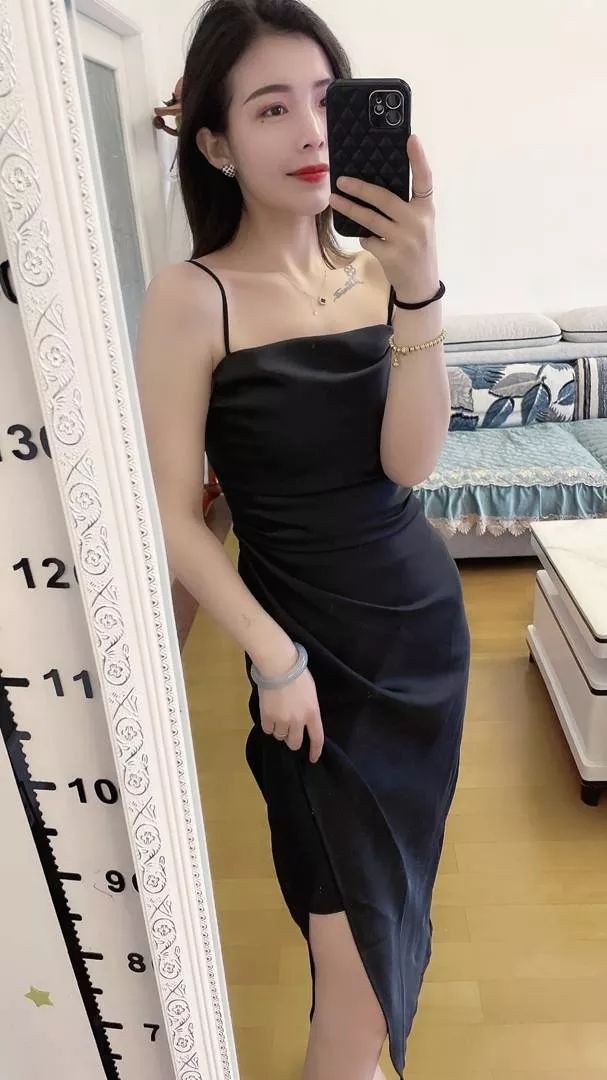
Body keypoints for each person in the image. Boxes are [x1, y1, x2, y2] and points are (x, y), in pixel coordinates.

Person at [136, 1, 471, 1076]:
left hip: (419, 645)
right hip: (310, 671)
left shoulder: (378, 275)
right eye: (272, 108)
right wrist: (272, 656)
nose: (312, 130)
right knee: (354, 966)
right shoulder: (191, 299)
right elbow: (171, 511)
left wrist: (418, 285)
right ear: (217, 144)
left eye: (326, 99)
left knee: (376, 945)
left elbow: (409, 465)